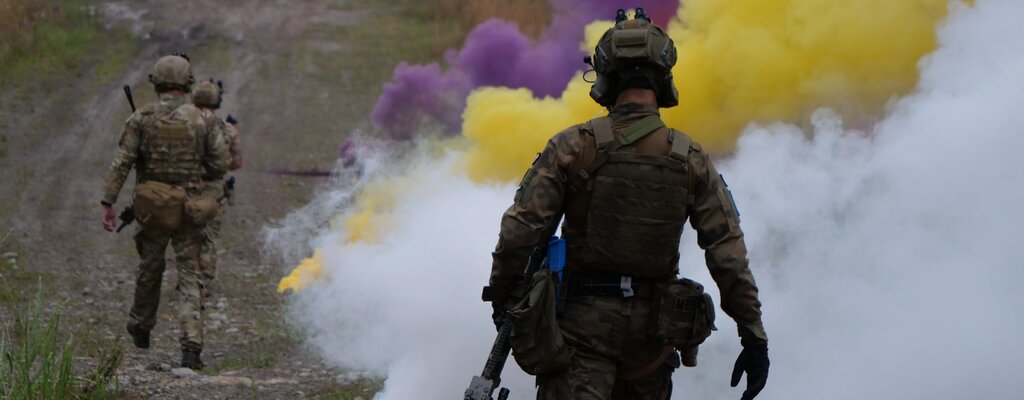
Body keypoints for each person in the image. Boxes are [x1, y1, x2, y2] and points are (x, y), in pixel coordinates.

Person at [485, 11, 769, 400]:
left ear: (606, 75)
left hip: (579, 339)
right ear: (663, 77)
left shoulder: (571, 147)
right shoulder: (691, 159)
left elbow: (520, 232)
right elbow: (727, 252)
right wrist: (753, 333)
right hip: (652, 343)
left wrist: (504, 301)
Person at [100, 54, 230, 370]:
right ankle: (191, 347)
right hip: (189, 209)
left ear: (156, 82)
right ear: (187, 84)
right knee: (190, 275)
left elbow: (122, 162)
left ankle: (141, 326)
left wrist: (108, 202)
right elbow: (219, 165)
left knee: (150, 267)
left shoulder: (141, 119)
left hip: (153, 210)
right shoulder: (204, 121)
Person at [192, 80, 243, 284]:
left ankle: (186, 279)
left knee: (186, 237)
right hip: (213, 191)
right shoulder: (227, 130)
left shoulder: (182, 123)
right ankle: (203, 282)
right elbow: (237, 163)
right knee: (208, 237)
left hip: (187, 188)